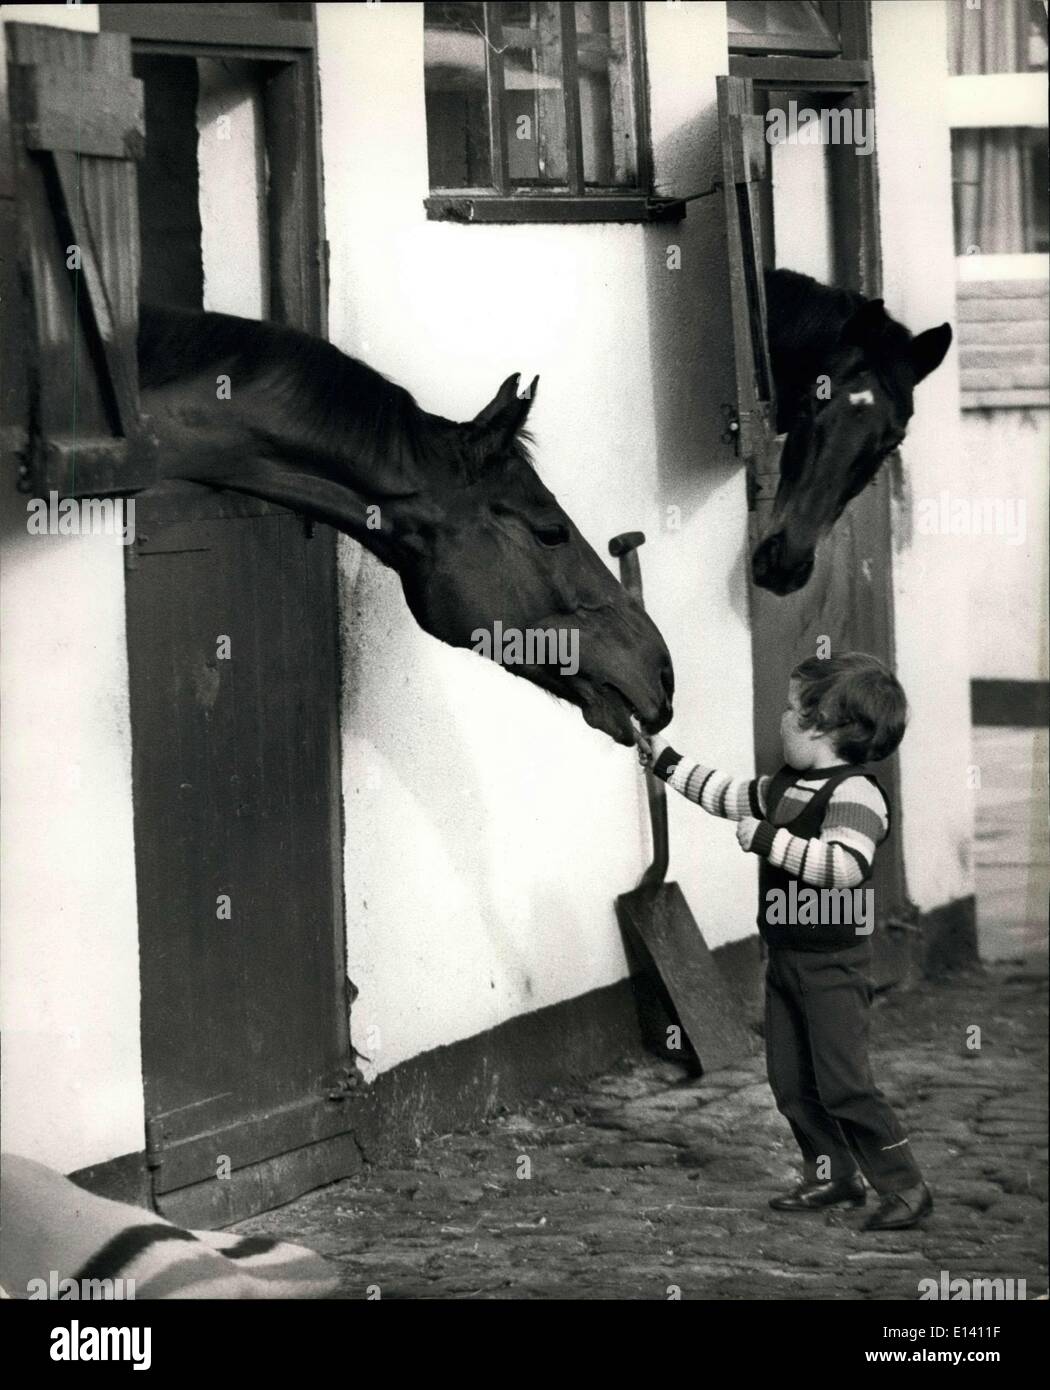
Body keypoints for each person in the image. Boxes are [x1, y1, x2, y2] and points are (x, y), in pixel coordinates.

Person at [634, 651, 932, 1232]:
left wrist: (769, 842)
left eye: (791, 709)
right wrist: (664, 762)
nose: (780, 717)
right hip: (787, 956)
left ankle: (906, 1186)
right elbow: (725, 793)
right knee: (791, 1082)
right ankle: (833, 1172)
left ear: (821, 727)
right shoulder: (787, 786)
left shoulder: (856, 794)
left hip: (834, 965)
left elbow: (844, 866)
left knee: (844, 1084)